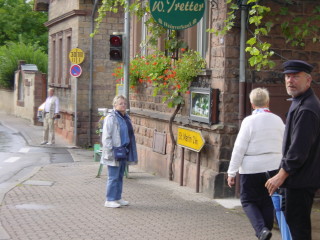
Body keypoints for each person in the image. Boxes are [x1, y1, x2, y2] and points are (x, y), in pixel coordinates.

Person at [265, 60, 320, 240]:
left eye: (296, 77)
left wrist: (281, 175)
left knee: (299, 228)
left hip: (301, 180)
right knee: (294, 223)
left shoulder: (307, 108)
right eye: (288, 77)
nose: (290, 81)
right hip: (298, 179)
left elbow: (298, 150)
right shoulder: (300, 101)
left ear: (308, 80)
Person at [227, 88, 285, 240]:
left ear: (252, 104)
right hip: (273, 167)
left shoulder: (248, 121)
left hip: (251, 169)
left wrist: (231, 172)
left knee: (248, 201)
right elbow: (286, 142)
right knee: (268, 200)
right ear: (268, 102)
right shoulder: (277, 120)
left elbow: (239, 148)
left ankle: (262, 231)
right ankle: (265, 230)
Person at [101, 95, 138, 208]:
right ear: (115, 105)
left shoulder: (126, 117)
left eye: (125, 103)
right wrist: (109, 151)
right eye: (121, 103)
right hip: (114, 151)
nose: (123, 105)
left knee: (120, 175)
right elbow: (106, 136)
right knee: (113, 176)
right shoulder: (111, 118)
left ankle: (117, 197)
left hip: (124, 150)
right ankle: (110, 199)